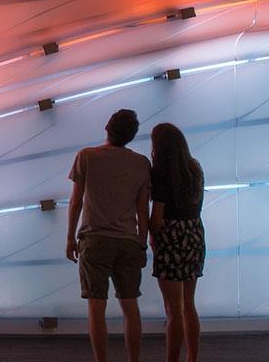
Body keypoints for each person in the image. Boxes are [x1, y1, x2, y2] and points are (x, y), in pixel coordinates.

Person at [66, 108, 151, 362]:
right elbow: (142, 210)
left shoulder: (87, 156)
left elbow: (75, 202)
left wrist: (70, 237)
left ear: (107, 127)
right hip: (128, 241)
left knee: (96, 306)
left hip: (95, 240)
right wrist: (142, 244)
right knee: (130, 306)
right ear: (132, 136)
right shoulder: (141, 163)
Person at [149, 123, 206, 362]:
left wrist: (150, 236)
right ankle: (192, 358)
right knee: (188, 306)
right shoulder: (195, 168)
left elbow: (157, 218)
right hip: (194, 234)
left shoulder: (162, 173)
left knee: (173, 310)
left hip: (171, 239)